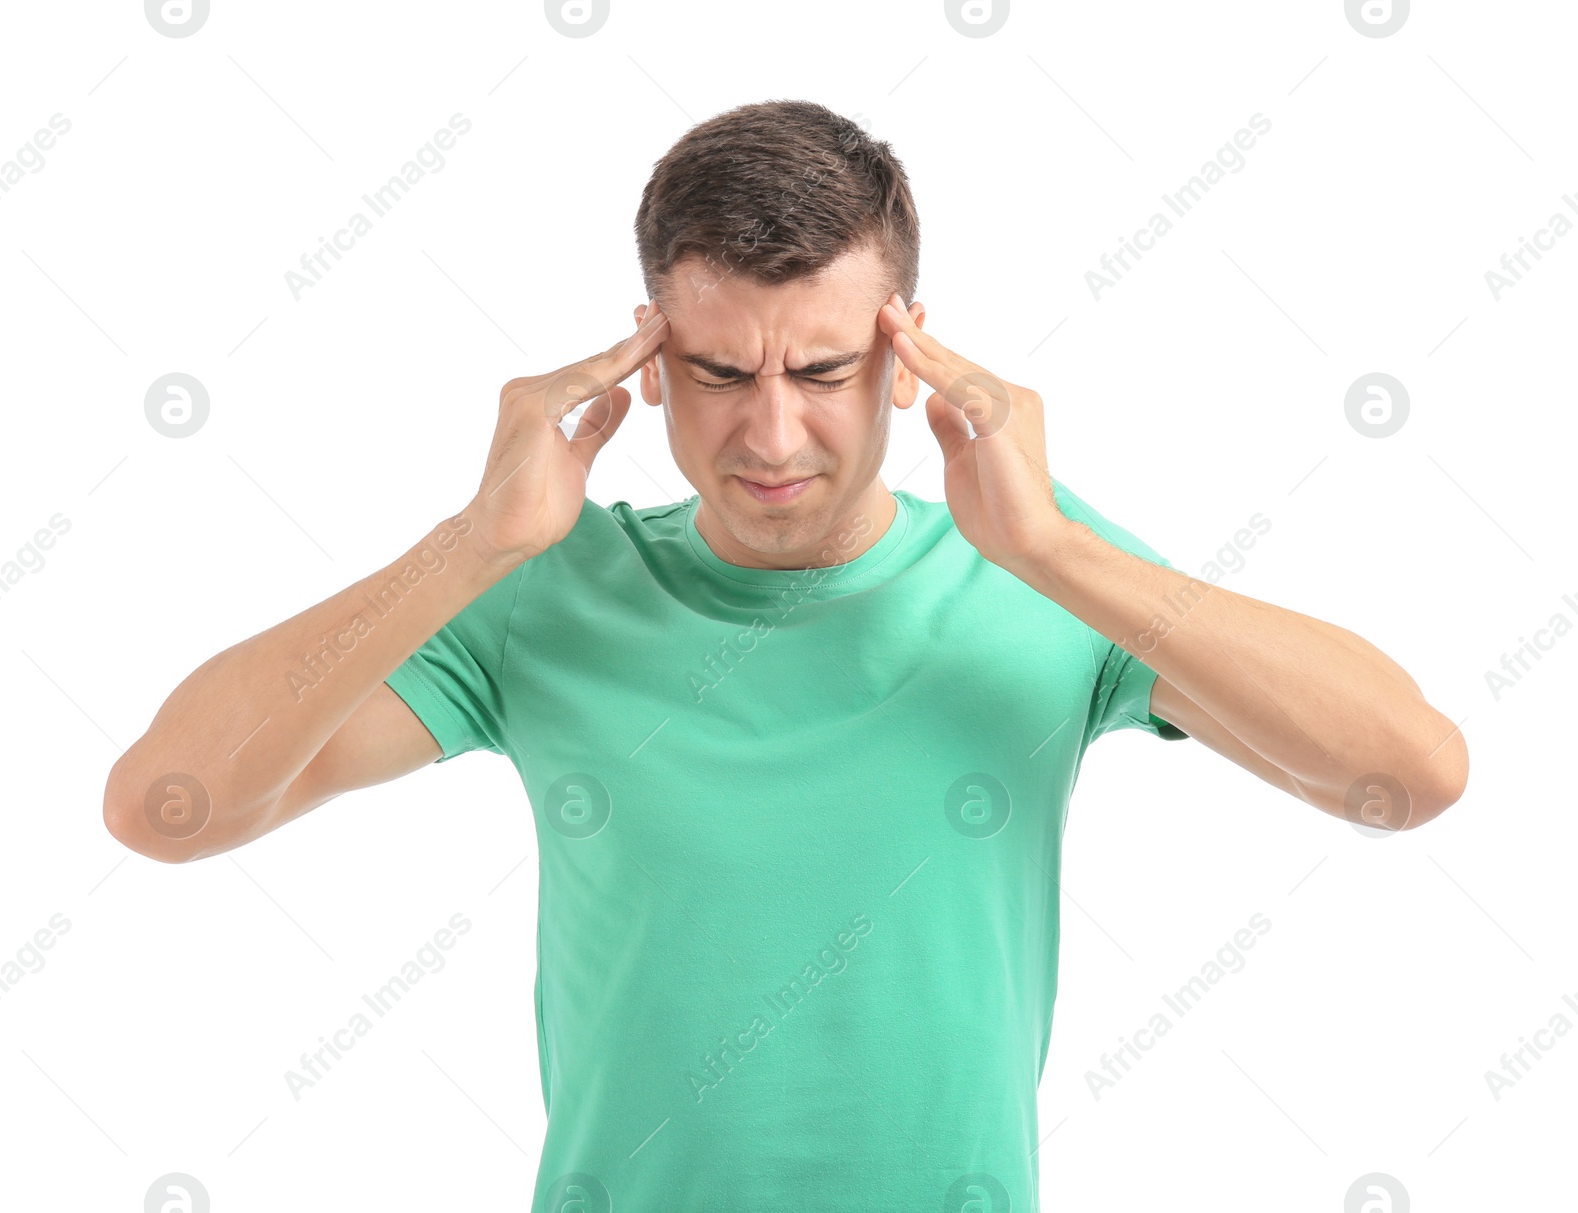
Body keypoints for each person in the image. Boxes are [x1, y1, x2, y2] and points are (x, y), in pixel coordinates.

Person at [103, 99, 1468, 1211]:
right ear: (647, 357)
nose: (769, 436)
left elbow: (1409, 774)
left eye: (821, 373)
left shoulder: (1042, 573)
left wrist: (1055, 549)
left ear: (908, 357)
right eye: (717, 373)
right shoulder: (540, 591)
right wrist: (471, 544)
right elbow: (169, 807)